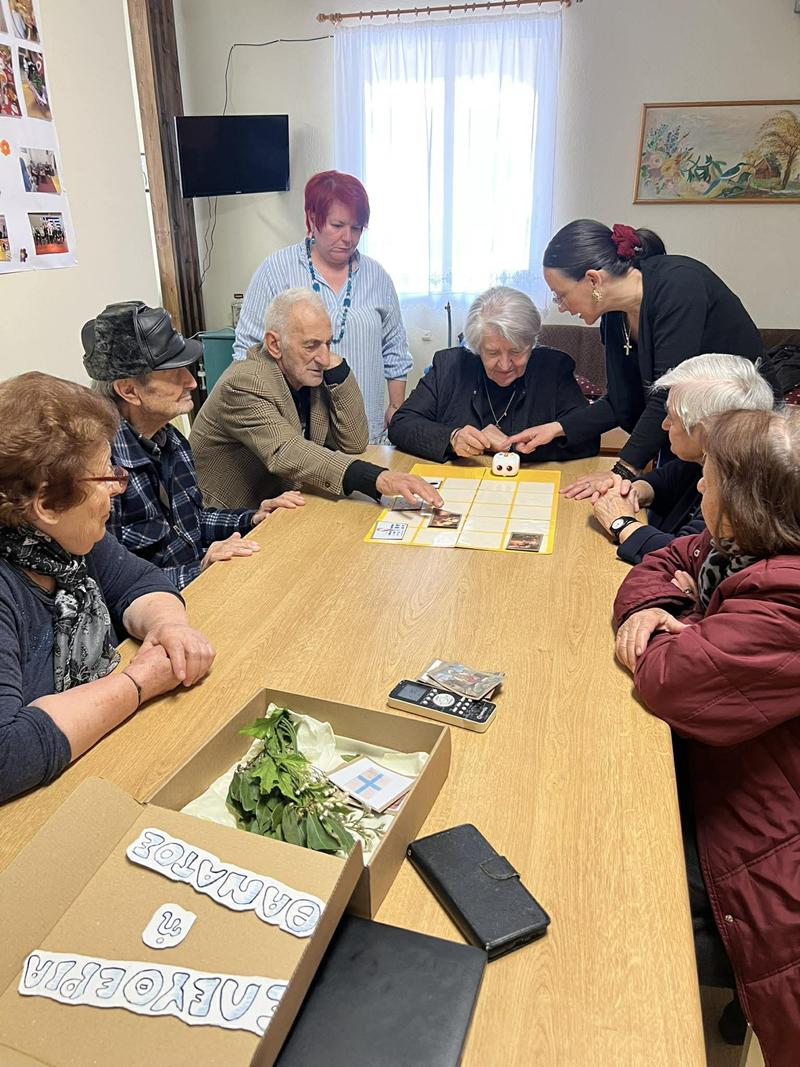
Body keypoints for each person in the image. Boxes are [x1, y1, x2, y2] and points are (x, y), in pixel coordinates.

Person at [613, 407, 800, 1065]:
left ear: (746, 503)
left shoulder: (786, 603)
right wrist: (659, 604)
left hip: (771, 845)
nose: (697, 486)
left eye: (711, 477)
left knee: (614, 867)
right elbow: (666, 557)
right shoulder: (742, 547)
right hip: (737, 775)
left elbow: (670, 678)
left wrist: (680, 620)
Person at [0, 373, 216, 804]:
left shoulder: (61, 544)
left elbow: (140, 582)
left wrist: (169, 626)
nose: (118, 487)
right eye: (104, 477)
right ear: (46, 504)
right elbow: (7, 755)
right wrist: (137, 684)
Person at [516, 219, 766, 495]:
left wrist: (623, 470)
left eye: (560, 295)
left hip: (739, 439)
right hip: (684, 437)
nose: (561, 307)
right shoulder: (613, 317)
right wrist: (556, 428)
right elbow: (620, 402)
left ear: (593, 280)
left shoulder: (679, 284)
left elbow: (666, 394)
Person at [84, 301, 304, 591]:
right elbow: (109, 586)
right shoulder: (100, 471)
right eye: (174, 374)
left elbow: (193, 522)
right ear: (128, 391)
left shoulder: (172, 441)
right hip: (157, 608)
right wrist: (198, 570)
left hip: (198, 589)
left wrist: (252, 518)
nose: (190, 382)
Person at [190, 289, 443, 510]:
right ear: (274, 345)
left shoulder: (307, 375)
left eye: (328, 344)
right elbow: (286, 450)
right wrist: (377, 478)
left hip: (281, 505)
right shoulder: (244, 383)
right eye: (311, 345)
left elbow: (354, 443)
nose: (323, 358)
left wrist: (339, 371)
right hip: (227, 520)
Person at [233, 170, 411, 444]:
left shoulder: (377, 277)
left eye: (356, 228)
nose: (348, 238)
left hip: (365, 430)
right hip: (296, 435)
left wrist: (396, 407)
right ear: (313, 218)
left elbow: (395, 349)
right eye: (337, 225)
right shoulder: (276, 270)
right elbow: (247, 352)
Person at [589, 353, 775, 563]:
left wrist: (621, 522)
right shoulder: (706, 459)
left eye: (672, 417)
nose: (664, 425)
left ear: (705, 433)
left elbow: (686, 557)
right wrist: (630, 491)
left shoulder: (741, 490)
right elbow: (664, 481)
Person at [387, 286, 599, 463]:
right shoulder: (449, 366)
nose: (505, 365)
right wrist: (452, 437)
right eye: (492, 353)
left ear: (531, 344)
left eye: (517, 351)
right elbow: (401, 424)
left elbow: (588, 439)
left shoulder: (554, 369)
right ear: (476, 347)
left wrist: (512, 446)